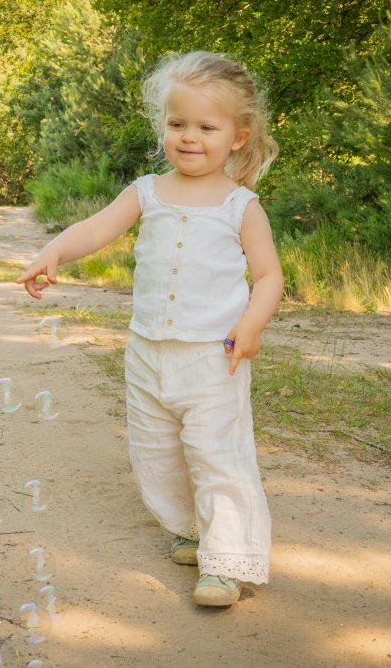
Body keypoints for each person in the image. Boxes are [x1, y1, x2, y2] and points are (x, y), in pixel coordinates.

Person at [15, 51, 283, 607]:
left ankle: (226, 561)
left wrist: (252, 323)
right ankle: (191, 528)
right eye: (177, 123)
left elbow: (268, 275)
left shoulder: (240, 205)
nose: (189, 136)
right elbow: (95, 228)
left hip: (214, 356)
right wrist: (54, 249)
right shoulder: (148, 192)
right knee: (156, 451)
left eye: (206, 127)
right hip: (147, 354)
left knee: (217, 455)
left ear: (238, 136)